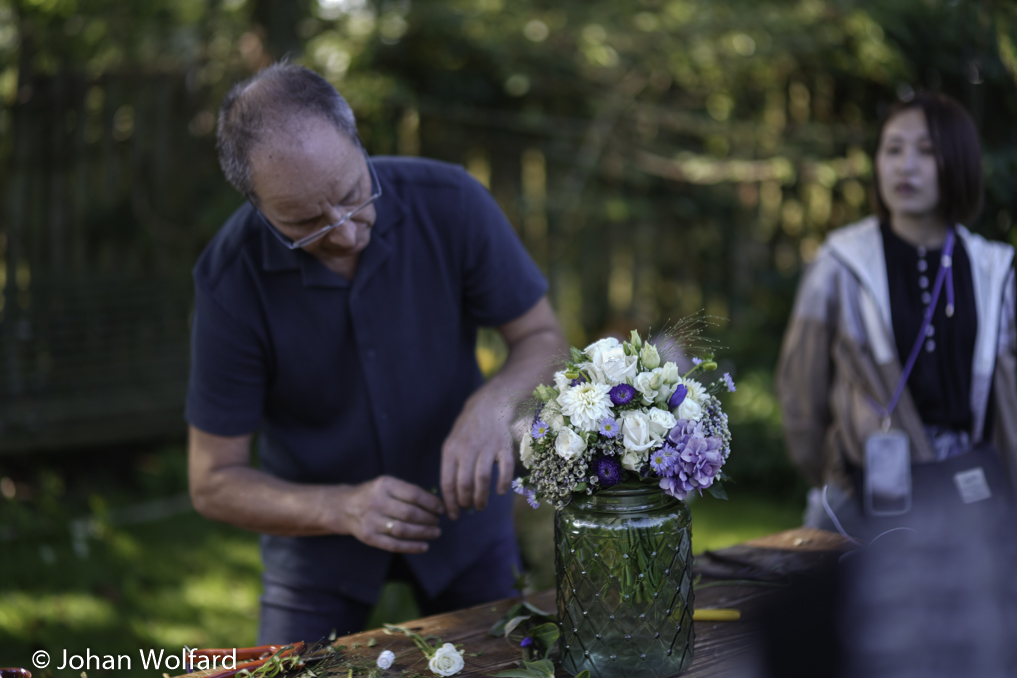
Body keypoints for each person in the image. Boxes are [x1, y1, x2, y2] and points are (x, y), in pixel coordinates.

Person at [185, 63, 567, 644]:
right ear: (258, 206)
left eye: (350, 195)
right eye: (304, 222)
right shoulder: (228, 281)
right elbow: (212, 480)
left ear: (357, 140)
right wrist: (341, 508)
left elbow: (543, 339)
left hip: (467, 527)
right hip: (316, 551)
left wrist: (492, 407)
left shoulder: (454, 201)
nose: (342, 232)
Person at [776, 91, 1016, 538]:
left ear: (958, 161)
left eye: (926, 151)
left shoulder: (993, 271)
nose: (905, 165)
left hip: (967, 501)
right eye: (893, 149)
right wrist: (834, 472)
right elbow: (800, 394)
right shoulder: (840, 263)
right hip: (860, 500)